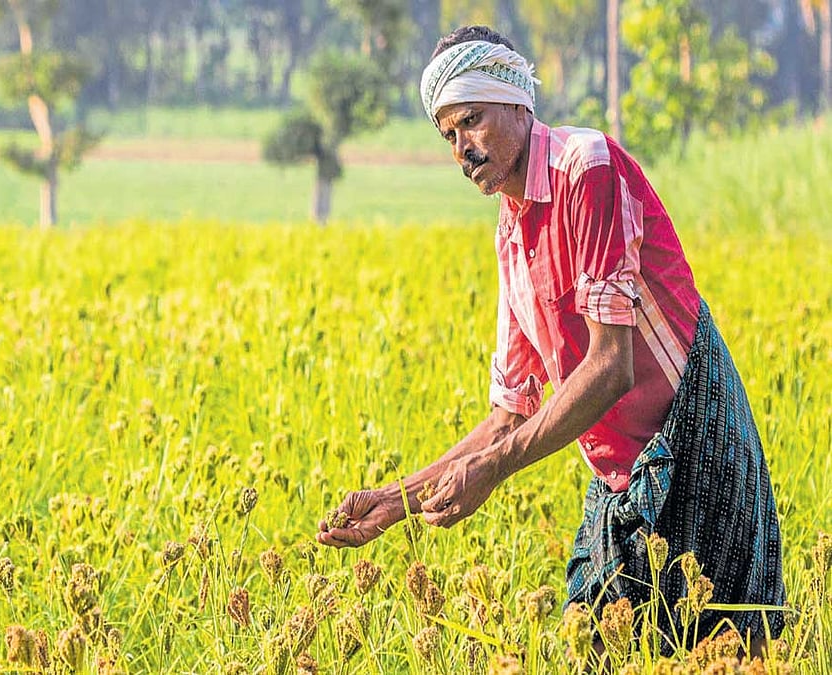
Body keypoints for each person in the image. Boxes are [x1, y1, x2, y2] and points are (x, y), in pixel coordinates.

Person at [316, 25, 786, 652]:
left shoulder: (583, 167)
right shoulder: (511, 236)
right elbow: (508, 418)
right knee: (595, 644)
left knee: (721, 646)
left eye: (473, 120)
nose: (463, 150)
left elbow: (611, 366)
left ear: (515, 98)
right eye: (449, 134)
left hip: (691, 435)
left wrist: (493, 471)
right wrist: (395, 501)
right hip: (620, 470)